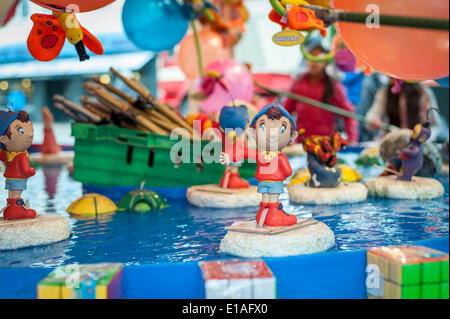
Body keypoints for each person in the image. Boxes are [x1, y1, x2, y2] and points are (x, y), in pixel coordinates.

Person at [220, 102, 298, 227]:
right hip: (275, 184)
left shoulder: (259, 153)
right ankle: (274, 215)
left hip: (262, 182)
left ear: (292, 136)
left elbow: (243, 153)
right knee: (273, 199)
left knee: (265, 199)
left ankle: (262, 213)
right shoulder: (280, 157)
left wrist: (229, 157)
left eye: (282, 129)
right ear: (252, 133)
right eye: (263, 127)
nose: (272, 134)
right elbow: (288, 172)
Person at [284, 44, 359, 143]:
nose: (313, 62)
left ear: (325, 62)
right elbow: (285, 112)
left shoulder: (333, 85)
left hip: (326, 144)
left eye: (318, 57)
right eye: (310, 56)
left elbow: (349, 114)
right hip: (301, 143)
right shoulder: (298, 82)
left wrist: (352, 139)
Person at [366, 79, 443, 142]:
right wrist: (373, 120)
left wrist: (426, 138)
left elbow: (435, 126)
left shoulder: (423, 92)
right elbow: (372, 115)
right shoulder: (385, 92)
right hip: (391, 143)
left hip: (418, 144)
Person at [0, 109, 36, 220]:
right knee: (16, 194)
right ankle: (15, 209)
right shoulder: (21, 156)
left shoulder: (8, 154)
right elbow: (26, 170)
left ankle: (9, 207)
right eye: (21, 131)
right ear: (3, 139)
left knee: (11, 193)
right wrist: (32, 171)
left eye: (31, 129)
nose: (30, 134)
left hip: (9, 178)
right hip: (18, 179)